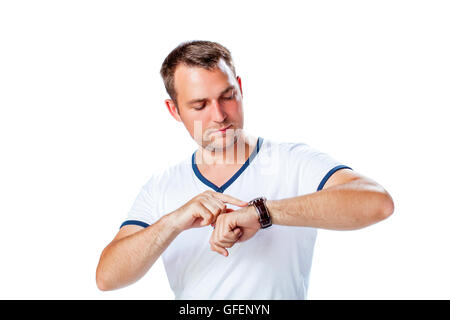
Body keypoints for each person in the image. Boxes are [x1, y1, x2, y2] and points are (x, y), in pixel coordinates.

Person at [95, 40, 394, 299]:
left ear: (240, 88)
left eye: (227, 96)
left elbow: (376, 202)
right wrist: (174, 221)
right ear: (174, 110)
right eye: (200, 105)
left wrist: (261, 212)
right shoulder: (160, 187)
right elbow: (107, 278)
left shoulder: (292, 161)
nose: (220, 115)